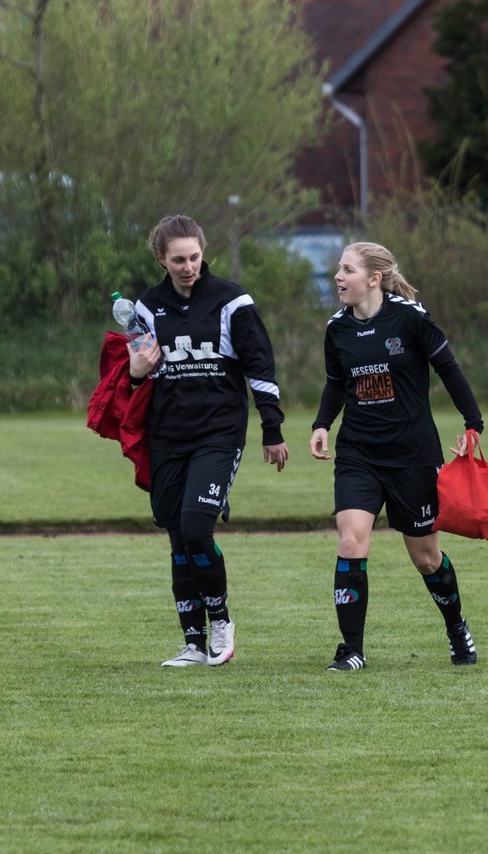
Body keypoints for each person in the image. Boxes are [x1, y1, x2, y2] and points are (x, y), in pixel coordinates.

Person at [310, 242, 484, 672]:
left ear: (373, 278)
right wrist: (321, 423)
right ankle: (352, 650)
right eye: (338, 268)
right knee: (351, 541)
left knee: (426, 558)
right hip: (358, 454)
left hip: (412, 456)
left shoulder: (410, 319)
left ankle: (456, 626)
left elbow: (449, 369)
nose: (338, 276)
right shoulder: (337, 329)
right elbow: (336, 384)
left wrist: (472, 424)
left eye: (347, 269)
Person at [128, 214, 290, 667]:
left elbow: (260, 364)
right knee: (178, 537)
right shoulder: (146, 306)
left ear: (204, 252)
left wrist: (271, 428)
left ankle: (220, 621)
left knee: (198, 528)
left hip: (219, 433)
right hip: (167, 435)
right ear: (161, 258)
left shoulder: (232, 300)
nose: (188, 266)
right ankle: (193, 644)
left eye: (194, 257)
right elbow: (134, 376)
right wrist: (136, 372)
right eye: (178, 259)